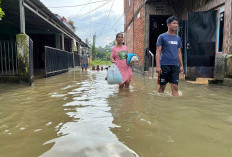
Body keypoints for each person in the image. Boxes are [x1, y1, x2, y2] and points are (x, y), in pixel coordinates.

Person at [156, 16, 184, 97]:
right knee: (162, 87)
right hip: (164, 65)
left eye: (177, 23)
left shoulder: (178, 38)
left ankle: (175, 107)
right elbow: (158, 52)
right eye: (174, 23)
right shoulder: (162, 37)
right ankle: (159, 104)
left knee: (175, 87)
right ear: (168, 25)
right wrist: (158, 66)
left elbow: (179, 53)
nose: (176, 25)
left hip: (175, 66)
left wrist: (181, 66)